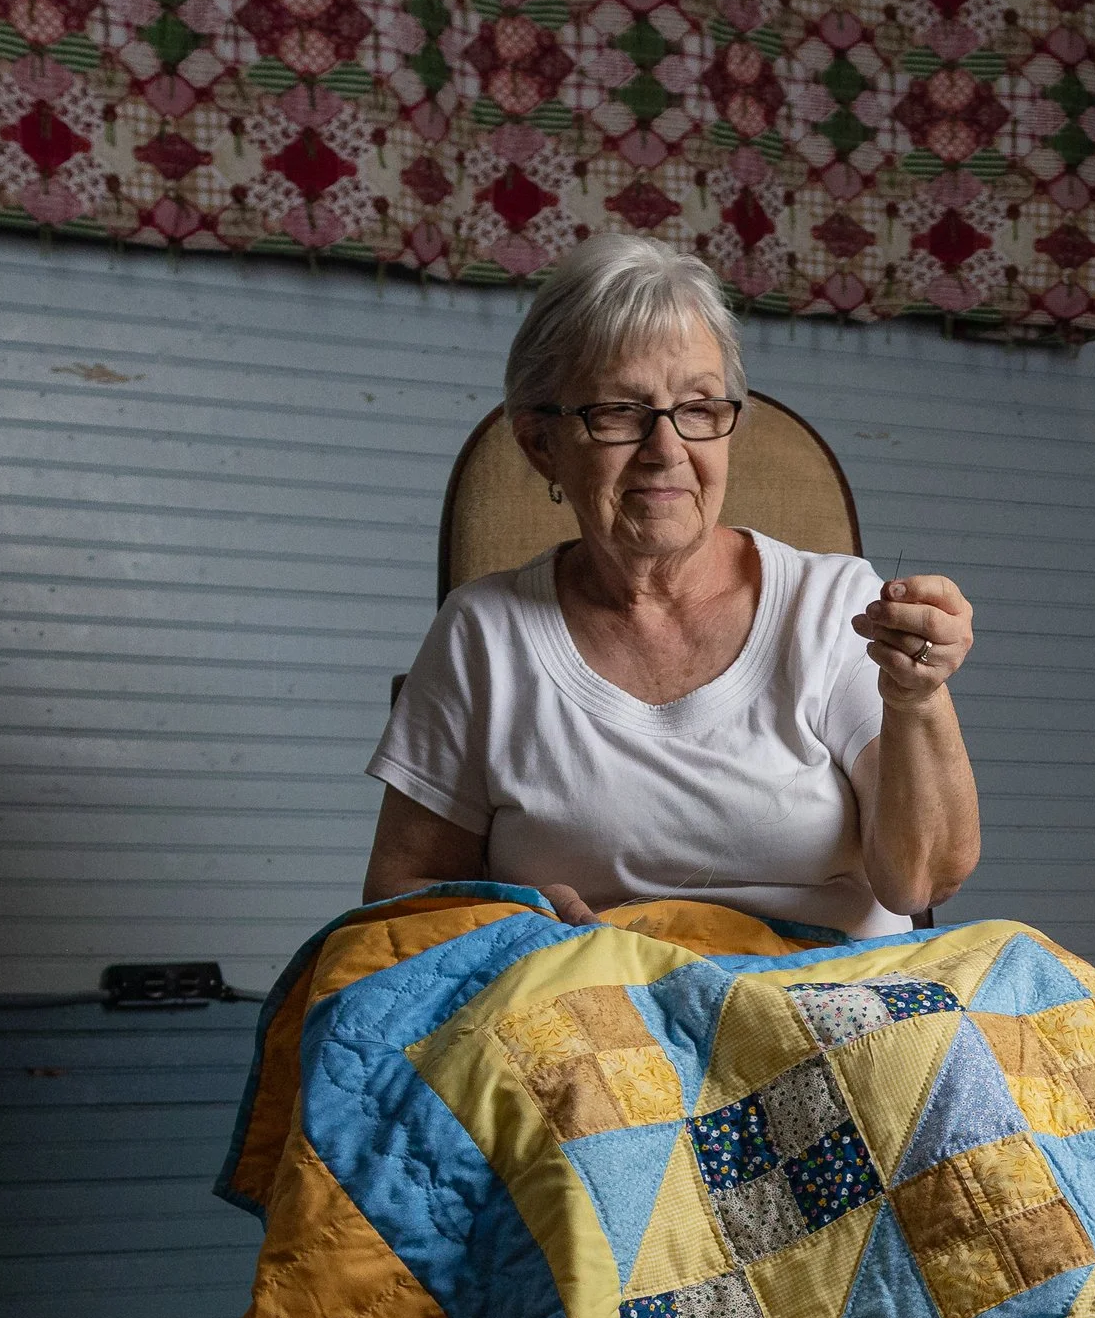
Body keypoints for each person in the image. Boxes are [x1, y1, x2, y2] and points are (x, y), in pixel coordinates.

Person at [364, 233, 979, 940]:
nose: (667, 452)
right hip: (590, 1019)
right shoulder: (485, 633)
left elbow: (923, 883)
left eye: (699, 408)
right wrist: (516, 925)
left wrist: (916, 700)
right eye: (620, 412)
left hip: (828, 1003)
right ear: (541, 446)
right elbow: (397, 895)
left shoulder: (834, 608)